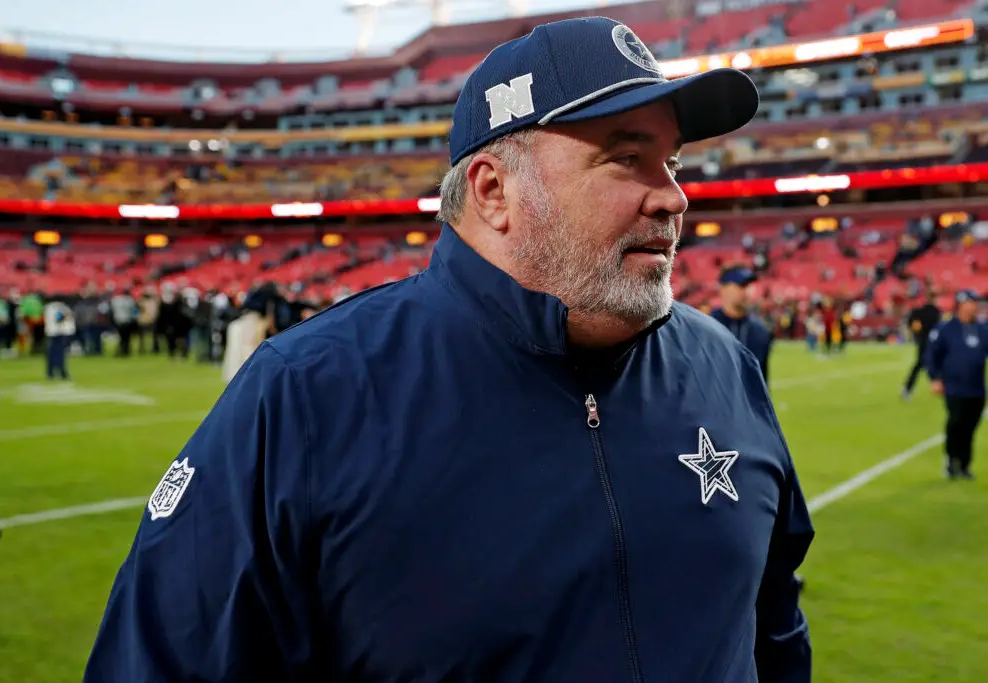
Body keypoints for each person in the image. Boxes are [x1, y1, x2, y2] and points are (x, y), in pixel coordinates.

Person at [85, 18, 813, 683]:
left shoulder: (725, 368)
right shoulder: (308, 396)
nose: (673, 197)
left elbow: (775, 636)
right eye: (627, 158)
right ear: (493, 191)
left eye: (673, 163)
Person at [925, 289, 987, 479]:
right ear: (960, 304)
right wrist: (935, 378)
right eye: (971, 302)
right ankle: (952, 460)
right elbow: (931, 355)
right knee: (956, 423)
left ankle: (965, 465)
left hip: (976, 388)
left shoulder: (982, 329)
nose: (975, 306)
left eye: (976, 303)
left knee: (971, 426)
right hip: (953, 387)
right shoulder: (945, 329)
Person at [711, 265, 773, 381]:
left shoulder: (760, 331)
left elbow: (761, 380)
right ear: (723, 288)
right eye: (741, 285)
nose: (747, 291)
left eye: (749, 286)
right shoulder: (705, 327)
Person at [901, 293, 941, 401]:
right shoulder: (935, 311)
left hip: (923, 342)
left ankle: (907, 389)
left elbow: (912, 324)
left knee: (920, 366)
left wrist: (916, 331)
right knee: (931, 366)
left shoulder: (919, 311)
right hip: (931, 343)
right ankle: (938, 386)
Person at [44, 295, 76, 380]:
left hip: (51, 332)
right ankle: (62, 373)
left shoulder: (48, 307)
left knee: (51, 354)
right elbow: (58, 318)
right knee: (60, 354)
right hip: (59, 332)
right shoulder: (59, 307)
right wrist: (66, 316)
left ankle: (50, 373)